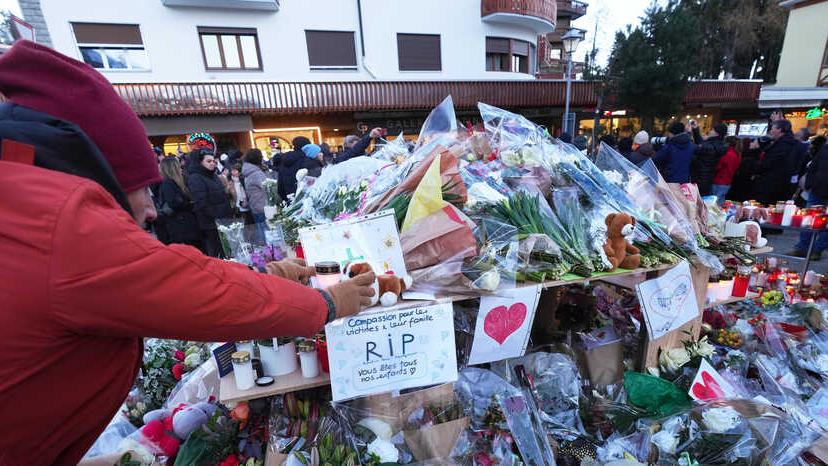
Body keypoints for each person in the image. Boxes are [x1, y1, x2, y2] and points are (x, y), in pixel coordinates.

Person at [0, 40, 376, 464]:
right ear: (98, 173)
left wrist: (271, 273)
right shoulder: (57, 216)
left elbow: (171, 274)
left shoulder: (26, 200)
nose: (148, 208)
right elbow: (191, 288)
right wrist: (326, 303)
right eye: (140, 186)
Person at [187, 148, 233, 257]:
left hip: (222, 221)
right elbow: (202, 203)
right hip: (211, 224)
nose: (212, 164)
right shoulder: (195, 178)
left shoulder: (213, 175)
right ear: (200, 162)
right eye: (208, 161)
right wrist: (218, 215)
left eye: (213, 161)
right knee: (217, 253)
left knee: (227, 251)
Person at [790, 142, 828, 259]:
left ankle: (816, 250)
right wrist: (809, 183)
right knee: (808, 220)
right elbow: (814, 165)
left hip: (819, 188)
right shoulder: (825, 147)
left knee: (826, 225)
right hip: (817, 189)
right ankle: (802, 248)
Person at [157, 157, 202, 248]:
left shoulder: (179, 181)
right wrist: (189, 203)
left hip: (184, 224)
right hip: (180, 226)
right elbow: (174, 203)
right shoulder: (168, 183)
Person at [753, 119, 799, 205]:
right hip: (783, 185)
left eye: (773, 128)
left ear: (780, 130)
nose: (771, 131)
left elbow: (767, 163)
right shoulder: (792, 144)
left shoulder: (781, 146)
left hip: (771, 185)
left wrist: (756, 167)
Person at [691, 122, 728, 196]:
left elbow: (699, 147)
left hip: (700, 177)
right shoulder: (717, 144)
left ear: (717, 133)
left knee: (696, 200)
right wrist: (696, 130)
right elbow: (701, 144)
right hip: (707, 177)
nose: (710, 131)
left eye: (712, 130)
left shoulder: (711, 145)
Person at [242, 148, 268, 243]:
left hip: (255, 205)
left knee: (261, 230)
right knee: (267, 233)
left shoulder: (248, 172)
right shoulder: (256, 173)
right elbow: (267, 187)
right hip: (263, 206)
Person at [710, 136, 742, 206]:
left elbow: (718, 166)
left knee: (713, 204)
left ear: (727, 143)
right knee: (720, 202)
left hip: (719, 181)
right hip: (727, 182)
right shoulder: (738, 155)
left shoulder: (727, 154)